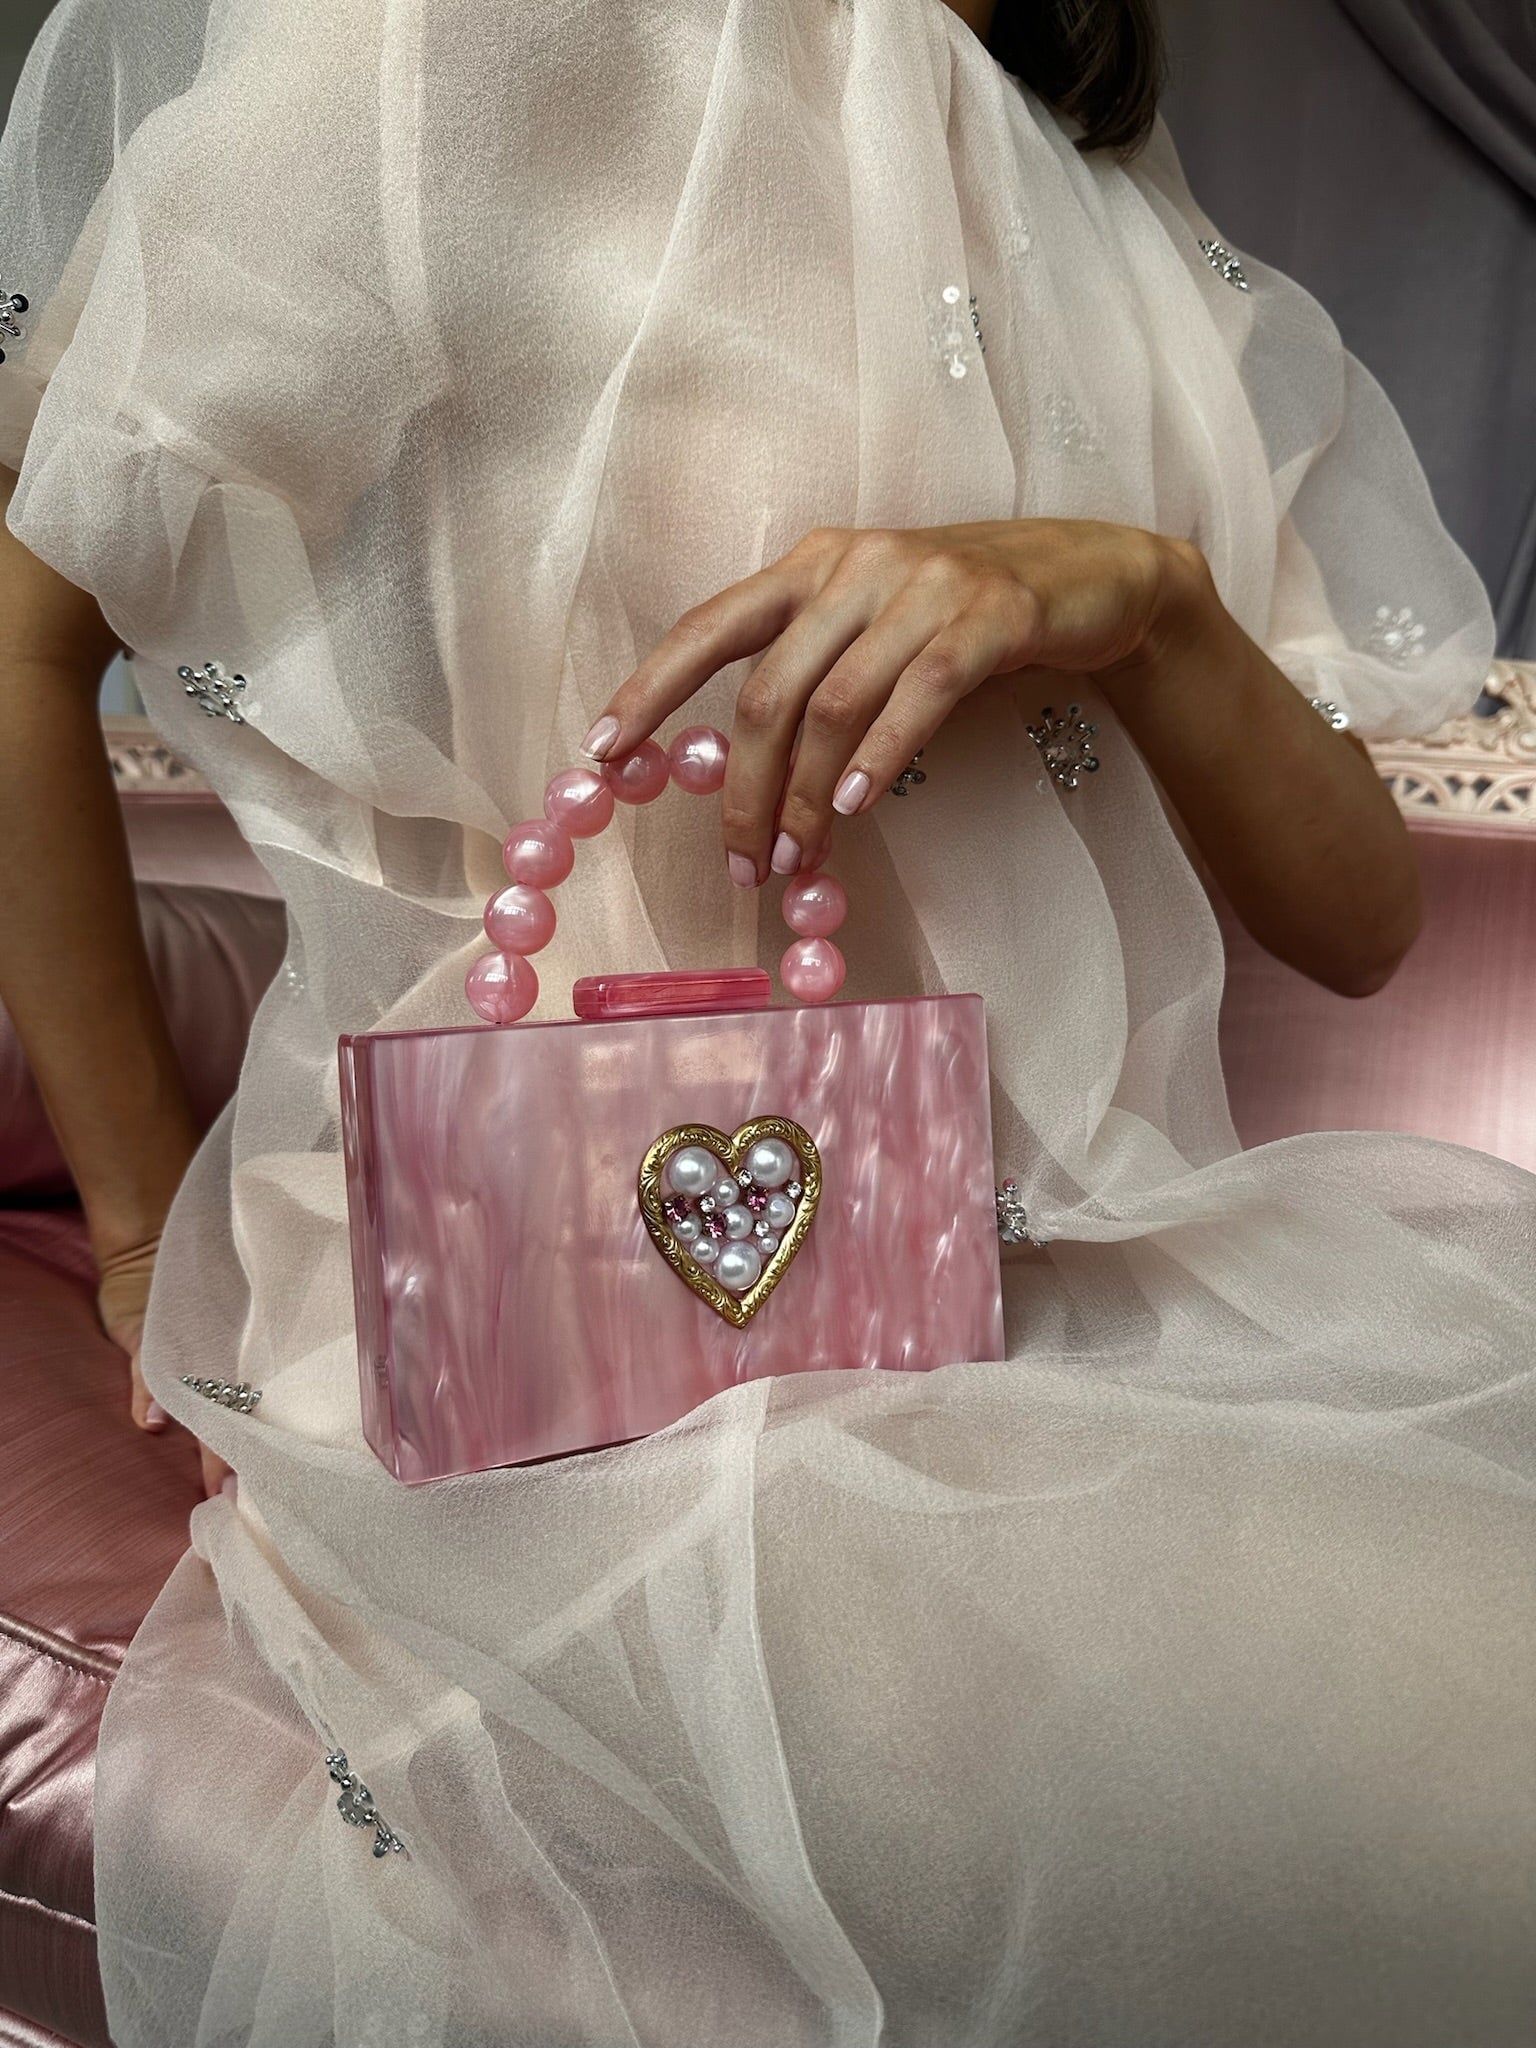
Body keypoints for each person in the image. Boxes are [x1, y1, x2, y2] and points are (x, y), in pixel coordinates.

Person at [1, 1, 1532, 2041]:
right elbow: (26, 628)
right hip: (557, 1346)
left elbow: (1356, 926)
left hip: (1060, 1285)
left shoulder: (1094, 173)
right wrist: (136, 1236)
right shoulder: (450, 49)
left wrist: (1149, 602)